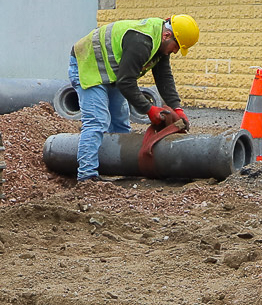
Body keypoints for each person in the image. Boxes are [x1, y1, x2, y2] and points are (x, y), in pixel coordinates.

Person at [67, 14, 201, 182]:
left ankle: (122, 166)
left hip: (111, 71)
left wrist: (177, 108)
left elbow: (164, 77)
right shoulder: (141, 41)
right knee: (97, 121)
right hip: (87, 63)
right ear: (167, 36)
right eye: (177, 46)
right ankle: (87, 176)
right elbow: (126, 82)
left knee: (120, 122)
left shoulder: (160, 43)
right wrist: (149, 109)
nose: (175, 51)